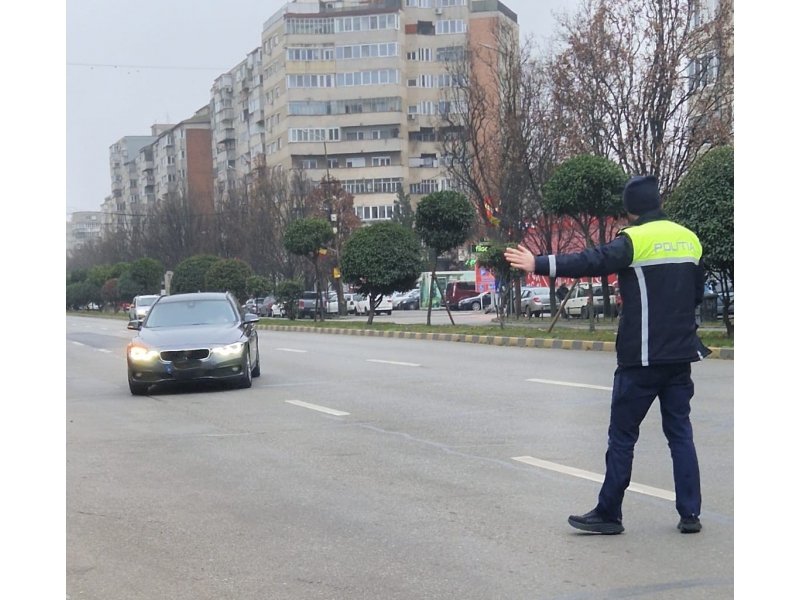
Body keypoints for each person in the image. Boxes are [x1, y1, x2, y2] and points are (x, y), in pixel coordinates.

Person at [504, 175, 709, 535]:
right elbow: (695, 295)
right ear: (659, 203)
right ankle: (690, 514)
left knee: (622, 437)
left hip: (641, 358)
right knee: (680, 434)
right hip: (680, 357)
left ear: (630, 210)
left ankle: (609, 513)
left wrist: (538, 263)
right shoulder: (689, 239)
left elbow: (591, 261)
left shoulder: (633, 240)